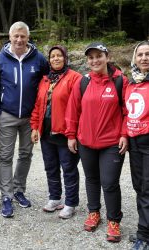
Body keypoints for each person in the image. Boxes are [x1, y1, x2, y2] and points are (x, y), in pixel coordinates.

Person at [65, 42, 129, 242]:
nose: (95, 60)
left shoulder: (120, 81)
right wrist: (71, 135)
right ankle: (94, 212)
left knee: (109, 183)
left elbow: (128, 112)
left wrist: (124, 134)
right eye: (91, 57)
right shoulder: (82, 82)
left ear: (107, 57)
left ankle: (113, 220)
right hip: (86, 142)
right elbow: (73, 110)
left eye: (98, 56)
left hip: (111, 143)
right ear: (87, 61)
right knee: (91, 179)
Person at [0, 21, 49, 218]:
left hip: (30, 117)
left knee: (25, 154)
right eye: (16, 36)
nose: (19, 39)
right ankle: (6, 196)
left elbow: (47, 83)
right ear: (10, 36)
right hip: (6, 115)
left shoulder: (38, 59)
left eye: (23, 36)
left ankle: (18, 190)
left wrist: (40, 113)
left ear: (28, 38)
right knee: (5, 156)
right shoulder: (0, 59)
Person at [30, 45, 81, 219]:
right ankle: (54, 197)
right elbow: (38, 105)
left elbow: (78, 108)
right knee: (51, 167)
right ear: (49, 60)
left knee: (68, 168)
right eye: (52, 56)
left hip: (65, 132)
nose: (56, 59)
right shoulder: (45, 80)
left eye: (59, 56)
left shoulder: (75, 78)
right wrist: (35, 127)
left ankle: (71, 203)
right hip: (46, 132)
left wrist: (73, 134)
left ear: (65, 58)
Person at [125, 41, 149, 250]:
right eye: (140, 54)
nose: (144, 58)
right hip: (134, 142)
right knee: (139, 186)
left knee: (147, 188)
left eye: (147, 54)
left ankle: (144, 234)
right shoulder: (132, 83)